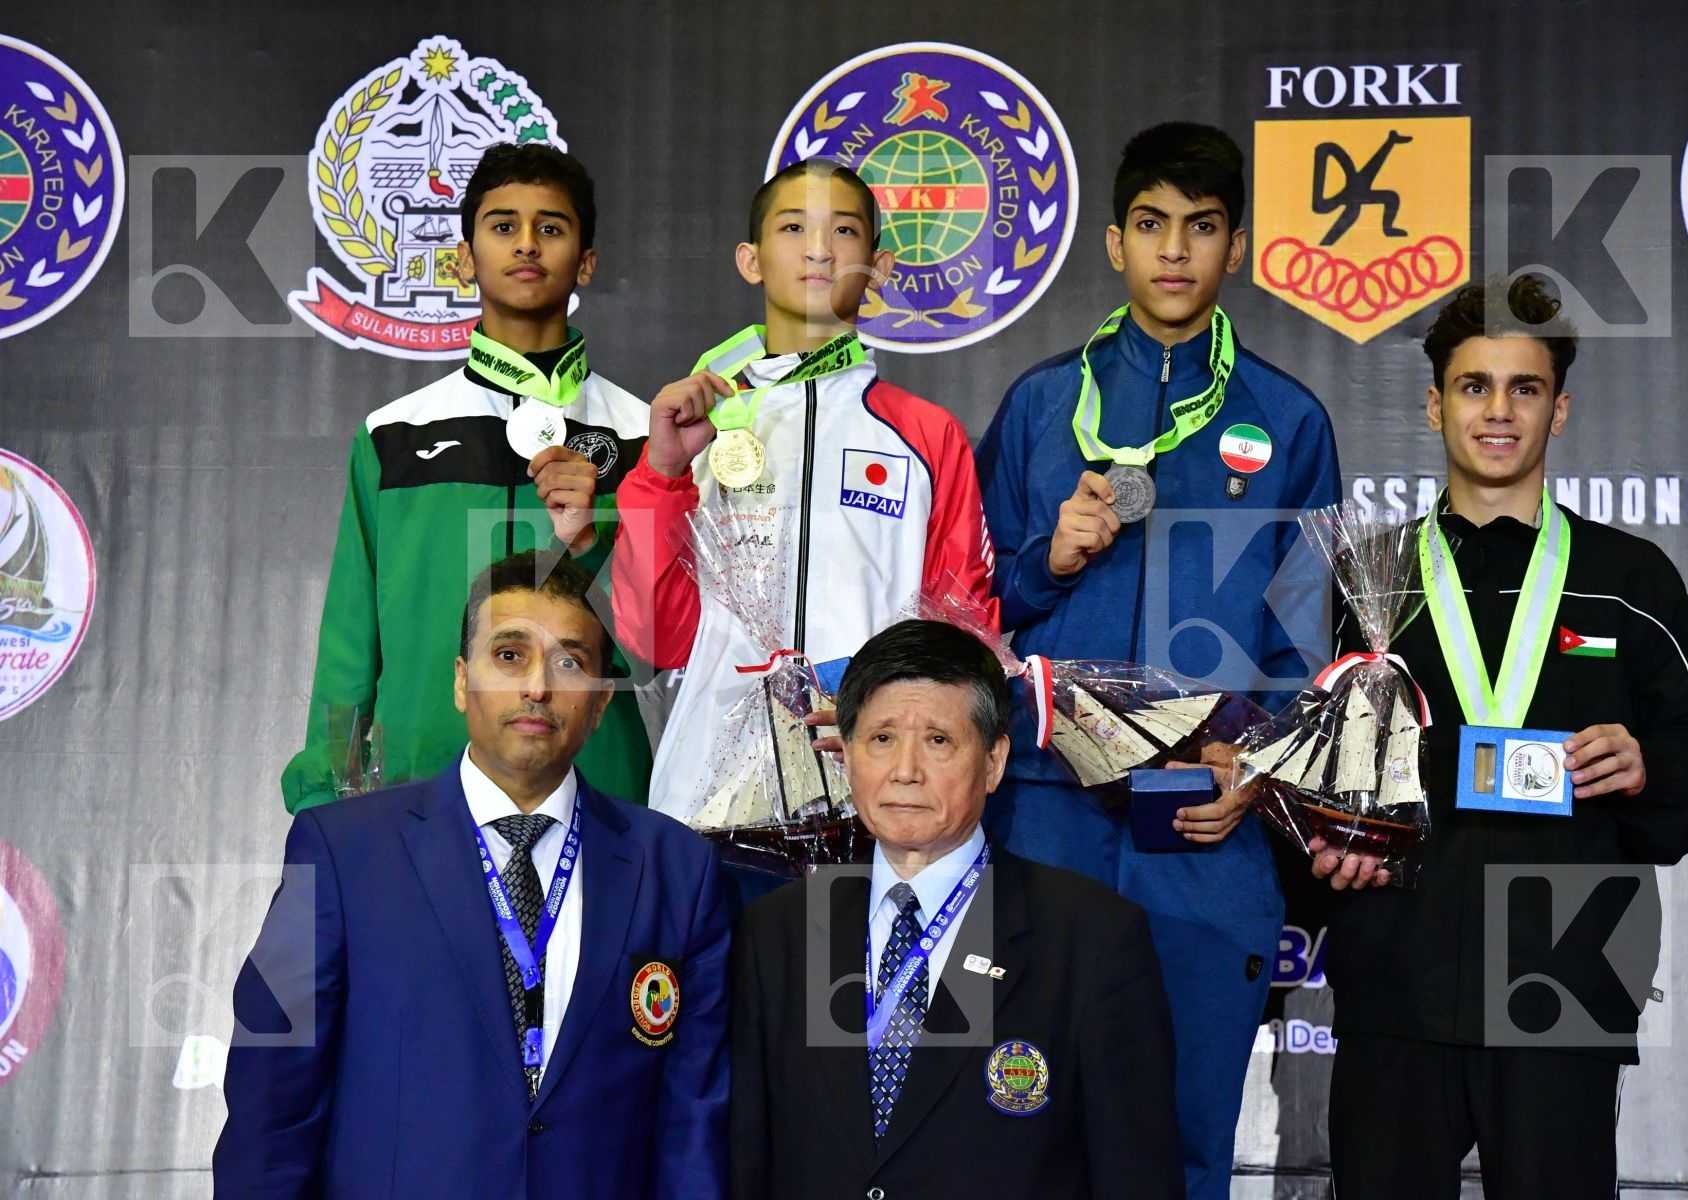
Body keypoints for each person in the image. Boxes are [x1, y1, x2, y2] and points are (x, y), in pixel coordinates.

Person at [1312, 275, 1688, 1199]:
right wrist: (1328, 845)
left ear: (1561, 409)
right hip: (1400, 961)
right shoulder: (1373, 574)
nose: (1499, 411)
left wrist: (1643, 764)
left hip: (1565, 973)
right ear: (1435, 405)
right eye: (1475, 386)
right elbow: (1333, 757)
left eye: (1525, 388)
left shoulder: (1628, 574)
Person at [973, 121, 1341, 1198]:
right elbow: (971, 611)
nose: (1174, 250)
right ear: (1113, 244)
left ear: (1236, 247)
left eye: (1202, 227)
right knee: (1020, 1112)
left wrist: (1255, 765)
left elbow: (1306, 636)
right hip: (1043, 803)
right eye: (1151, 225)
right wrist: (1052, 556)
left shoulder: (1290, 419)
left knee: (1186, 1128)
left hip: (1200, 812)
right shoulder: (1043, 406)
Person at [217, 551, 730, 1199]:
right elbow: (272, 1106)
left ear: (601, 703)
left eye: (570, 661)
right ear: (462, 681)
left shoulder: (676, 870)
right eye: (510, 655)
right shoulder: (342, 854)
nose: (538, 686)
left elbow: (693, 1126)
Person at [729, 619, 1183, 1199]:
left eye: (939, 740)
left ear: (993, 762)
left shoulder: (1091, 938)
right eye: (881, 739)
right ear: (845, 753)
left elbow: (1136, 1178)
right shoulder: (781, 930)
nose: (905, 770)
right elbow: (746, 1159)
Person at [610, 158, 996, 821]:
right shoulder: (693, 426)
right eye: (793, 227)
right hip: (711, 794)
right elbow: (653, 638)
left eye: (844, 231)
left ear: (877, 265)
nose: (819, 249)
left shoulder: (927, 435)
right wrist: (662, 474)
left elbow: (965, 636)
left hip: (876, 799)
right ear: (750, 259)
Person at [281, 142, 652, 813]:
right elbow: (349, 640)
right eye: (503, 226)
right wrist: (322, 797)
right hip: (420, 783)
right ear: (462, 258)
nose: (527, 245)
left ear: (587, 263)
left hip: (596, 786)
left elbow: (661, 644)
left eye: (552, 227)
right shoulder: (394, 435)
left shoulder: (643, 437)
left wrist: (594, 540)